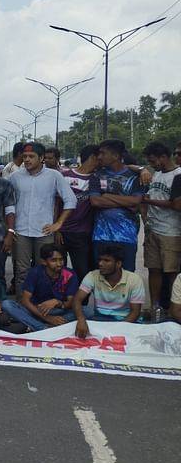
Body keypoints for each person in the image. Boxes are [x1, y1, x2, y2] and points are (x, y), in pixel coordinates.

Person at [9, 142, 76, 297]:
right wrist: (10, 228)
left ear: (41, 158)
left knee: (46, 269)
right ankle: (22, 308)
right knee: (22, 272)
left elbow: (71, 200)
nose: (26, 160)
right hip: (21, 232)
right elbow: (8, 203)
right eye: (25, 156)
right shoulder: (15, 177)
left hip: (44, 231)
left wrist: (58, 223)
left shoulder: (54, 176)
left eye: (31, 156)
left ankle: (43, 305)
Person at [89, 139, 145, 271]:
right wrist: (126, 201)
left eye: (103, 153)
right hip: (101, 236)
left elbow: (136, 202)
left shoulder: (134, 177)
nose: (99, 157)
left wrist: (107, 196)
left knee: (126, 275)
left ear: (116, 156)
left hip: (126, 236)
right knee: (102, 275)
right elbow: (95, 201)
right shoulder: (97, 175)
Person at [141, 141, 181, 318]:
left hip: (171, 231)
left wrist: (147, 201)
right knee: (154, 269)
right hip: (153, 229)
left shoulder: (178, 175)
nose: (151, 165)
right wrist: (145, 215)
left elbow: (176, 205)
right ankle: (155, 305)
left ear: (163, 157)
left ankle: (173, 308)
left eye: (153, 161)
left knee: (171, 272)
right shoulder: (155, 174)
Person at [2, 244, 81, 331]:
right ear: (44, 261)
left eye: (61, 260)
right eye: (54, 260)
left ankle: (34, 325)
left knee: (86, 311)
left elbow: (69, 304)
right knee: (7, 304)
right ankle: (43, 327)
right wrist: (48, 318)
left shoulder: (70, 274)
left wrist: (57, 302)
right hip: (36, 311)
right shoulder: (35, 272)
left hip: (60, 311)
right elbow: (25, 301)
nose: (59, 264)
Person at [73, 244, 146, 338]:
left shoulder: (134, 280)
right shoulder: (92, 275)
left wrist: (117, 329)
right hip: (99, 318)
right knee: (75, 317)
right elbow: (77, 300)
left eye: (106, 261)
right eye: (100, 260)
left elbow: (135, 312)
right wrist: (81, 319)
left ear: (118, 264)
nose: (100, 264)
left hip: (125, 321)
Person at [57, 144, 99, 284]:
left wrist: (141, 169)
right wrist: (56, 229)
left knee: (82, 271)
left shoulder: (97, 178)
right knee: (58, 270)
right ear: (94, 157)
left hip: (82, 234)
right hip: (61, 233)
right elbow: (56, 204)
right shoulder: (65, 176)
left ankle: (82, 302)